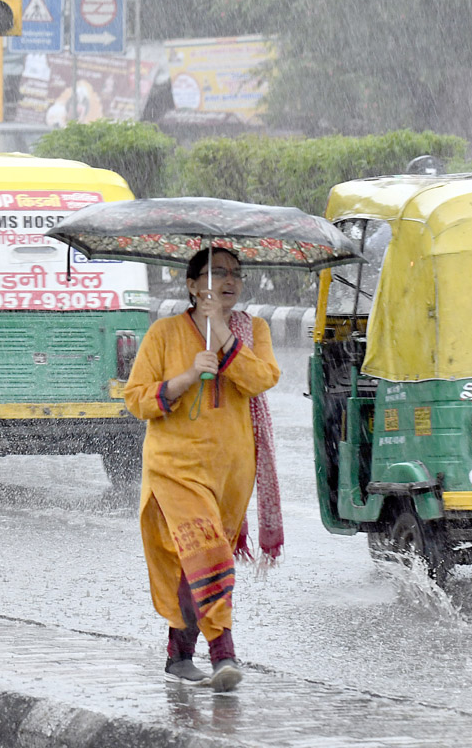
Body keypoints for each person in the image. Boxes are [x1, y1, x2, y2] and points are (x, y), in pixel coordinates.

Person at [123, 247, 282, 692]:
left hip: (232, 472)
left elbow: (263, 378)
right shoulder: (164, 333)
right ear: (192, 285)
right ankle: (223, 654)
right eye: (215, 273)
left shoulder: (254, 330)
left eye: (235, 274)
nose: (228, 280)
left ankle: (178, 654)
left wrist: (220, 333)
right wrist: (188, 377)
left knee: (194, 562)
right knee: (207, 553)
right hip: (174, 467)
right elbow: (137, 399)